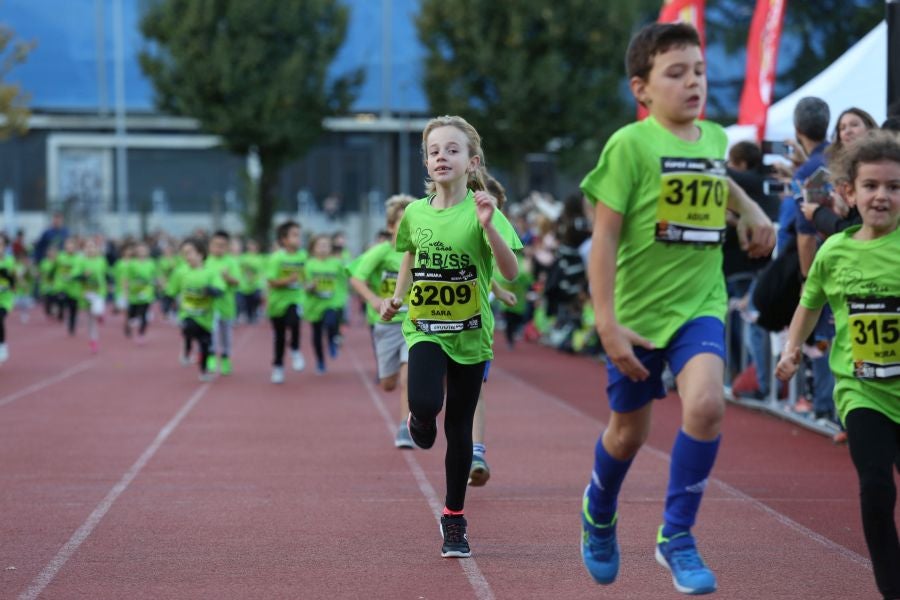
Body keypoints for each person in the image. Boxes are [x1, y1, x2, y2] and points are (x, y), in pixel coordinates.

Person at [578, 23, 774, 595]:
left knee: (709, 404)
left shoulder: (714, 136)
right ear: (642, 89)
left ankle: (677, 536)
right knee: (627, 434)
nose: (693, 82)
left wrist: (752, 212)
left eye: (699, 71)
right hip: (637, 314)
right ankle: (599, 507)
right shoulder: (629, 146)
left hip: (699, 304)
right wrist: (606, 322)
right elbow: (605, 239)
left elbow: (719, 177)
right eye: (676, 73)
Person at [380, 115, 522, 558]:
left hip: (471, 334)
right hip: (424, 326)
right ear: (426, 162)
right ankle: (418, 419)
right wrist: (397, 297)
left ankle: (454, 519)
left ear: (471, 161)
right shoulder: (415, 214)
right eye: (434, 150)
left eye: (452, 150)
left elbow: (511, 272)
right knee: (426, 403)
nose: (442, 156)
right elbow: (408, 254)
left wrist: (489, 226)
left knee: (459, 429)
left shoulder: (485, 211)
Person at [776, 129, 900, 600]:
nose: (882, 196)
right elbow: (809, 305)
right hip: (861, 388)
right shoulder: (834, 250)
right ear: (849, 191)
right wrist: (791, 350)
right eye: (871, 186)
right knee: (876, 488)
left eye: (894, 186)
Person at [349, 194, 416, 447]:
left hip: (415, 323)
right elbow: (356, 278)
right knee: (388, 383)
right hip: (386, 324)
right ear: (391, 227)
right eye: (403, 222)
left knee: (408, 377)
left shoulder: (423, 250)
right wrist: (374, 299)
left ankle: (405, 428)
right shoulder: (382, 251)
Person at [172, 238, 224, 382]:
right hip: (187, 313)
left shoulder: (211, 272)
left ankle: (203, 371)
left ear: (200, 254)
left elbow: (220, 289)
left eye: (189, 253)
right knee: (189, 327)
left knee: (205, 344)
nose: (186, 256)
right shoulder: (181, 272)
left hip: (206, 316)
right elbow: (171, 290)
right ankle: (186, 347)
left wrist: (211, 290)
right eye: (184, 253)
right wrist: (167, 299)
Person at [266, 221, 307, 384]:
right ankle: (278, 366)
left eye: (299, 235)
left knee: (295, 321)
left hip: (295, 298)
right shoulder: (277, 258)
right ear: (284, 239)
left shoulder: (303, 256)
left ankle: (296, 349)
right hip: (277, 303)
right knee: (280, 337)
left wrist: (308, 284)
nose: (298, 239)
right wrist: (288, 280)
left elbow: (306, 277)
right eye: (294, 235)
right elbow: (271, 282)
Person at [304, 234, 342, 374]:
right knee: (317, 334)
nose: (323, 248)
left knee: (331, 322)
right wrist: (310, 286)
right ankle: (320, 361)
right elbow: (305, 285)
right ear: (313, 248)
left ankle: (333, 340)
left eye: (326, 245)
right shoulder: (309, 264)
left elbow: (345, 279)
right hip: (314, 304)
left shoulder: (336, 263)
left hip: (331, 302)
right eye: (320, 246)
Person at [206, 230, 241, 375]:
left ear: (227, 247)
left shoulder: (231, 262)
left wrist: (227, 277)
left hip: (227, 303)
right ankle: (212, 355)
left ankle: (226, 357)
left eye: (222, 245)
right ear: (210, 245)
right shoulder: (206, 261)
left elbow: (238, 281)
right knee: (211, 332)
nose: (218, 248)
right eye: (215, 245)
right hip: (210, 305)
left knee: (226, 334)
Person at [123, 242, 157, 343]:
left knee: (143, 314)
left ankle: (141, 333)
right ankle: (128, 325)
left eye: (144, 250)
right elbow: (126, 279)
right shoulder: (132, 264)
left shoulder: (151, 263)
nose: (142, 252)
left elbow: (156, 276)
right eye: (140, 250)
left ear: (147, 252)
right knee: (132, 316)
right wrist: (126, 291)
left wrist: (160, 284)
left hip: (147, 294)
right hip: (134, 294)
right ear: (136, 252)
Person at [79, 238, 108, 354]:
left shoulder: (101, 261)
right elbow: (75, 275)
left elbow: (106, 274)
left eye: (92, 247)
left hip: (99, 292)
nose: (90, 249)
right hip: (86, 293)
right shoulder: (81, 261)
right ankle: (93, 340)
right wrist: (83, 275)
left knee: (97, 311)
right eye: (87, 247)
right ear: (84, 249)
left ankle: (101, 315)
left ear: (97, 249)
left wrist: (109, 283)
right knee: (90, 320)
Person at [0, 233, 16, 363]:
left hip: (4, 299)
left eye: (1, 244)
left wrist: (6, 285)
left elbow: (13, 282)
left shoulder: (9, 261)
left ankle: (2, 345)